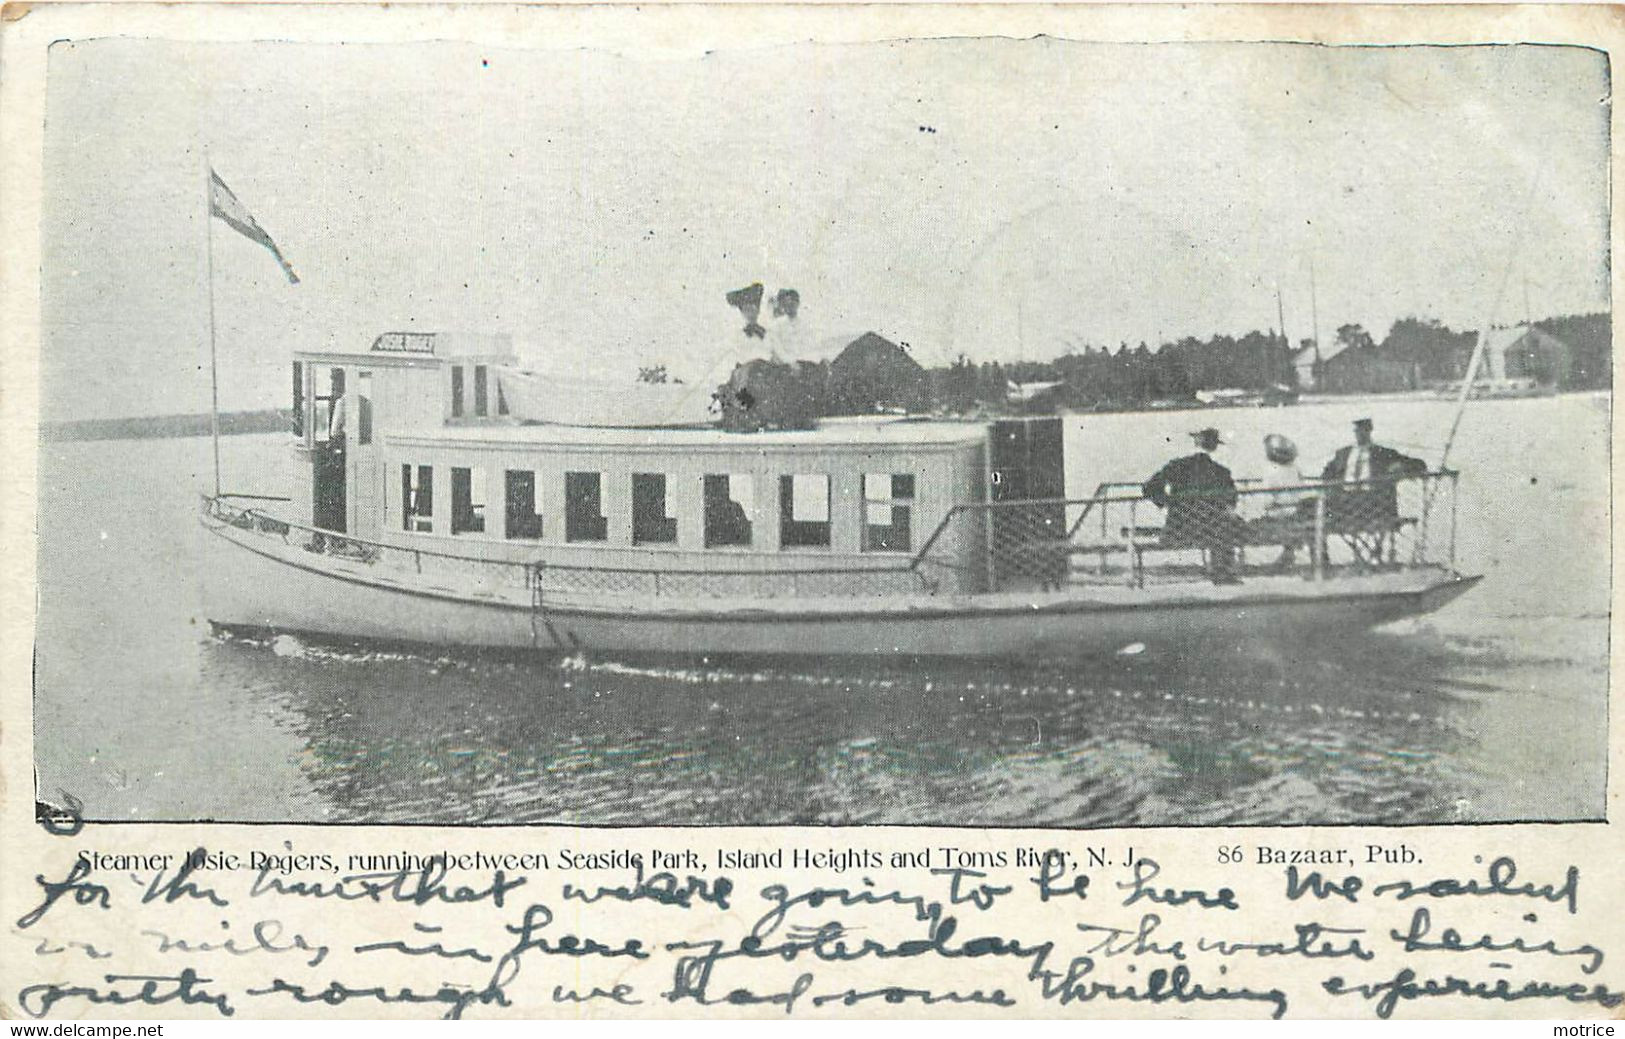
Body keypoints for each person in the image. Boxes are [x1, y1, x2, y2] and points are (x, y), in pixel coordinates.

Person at [1320, 417, 1427, 564]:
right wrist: (1333, 487)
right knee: (1315, 510)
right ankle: (1323, 563)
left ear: (1369, 431)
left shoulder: (1382, 453)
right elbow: (1326, 475)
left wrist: (1398, 467)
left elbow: (1419, 465)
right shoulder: (1343, 454)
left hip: (1373, 502)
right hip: (1345, 502)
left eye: (1362, 431)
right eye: (1356, 431)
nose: (1359, 435)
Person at [1143, 427, 1242, 584]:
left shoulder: (1176, 467)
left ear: (1194, 444)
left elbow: (1148, 488)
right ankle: (1222, 572)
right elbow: (1231, 503)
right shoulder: (1222, 472)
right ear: (1215, 447)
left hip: (1179, 530)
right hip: (1212, 531)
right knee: (1229, 525)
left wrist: (1167, 502)